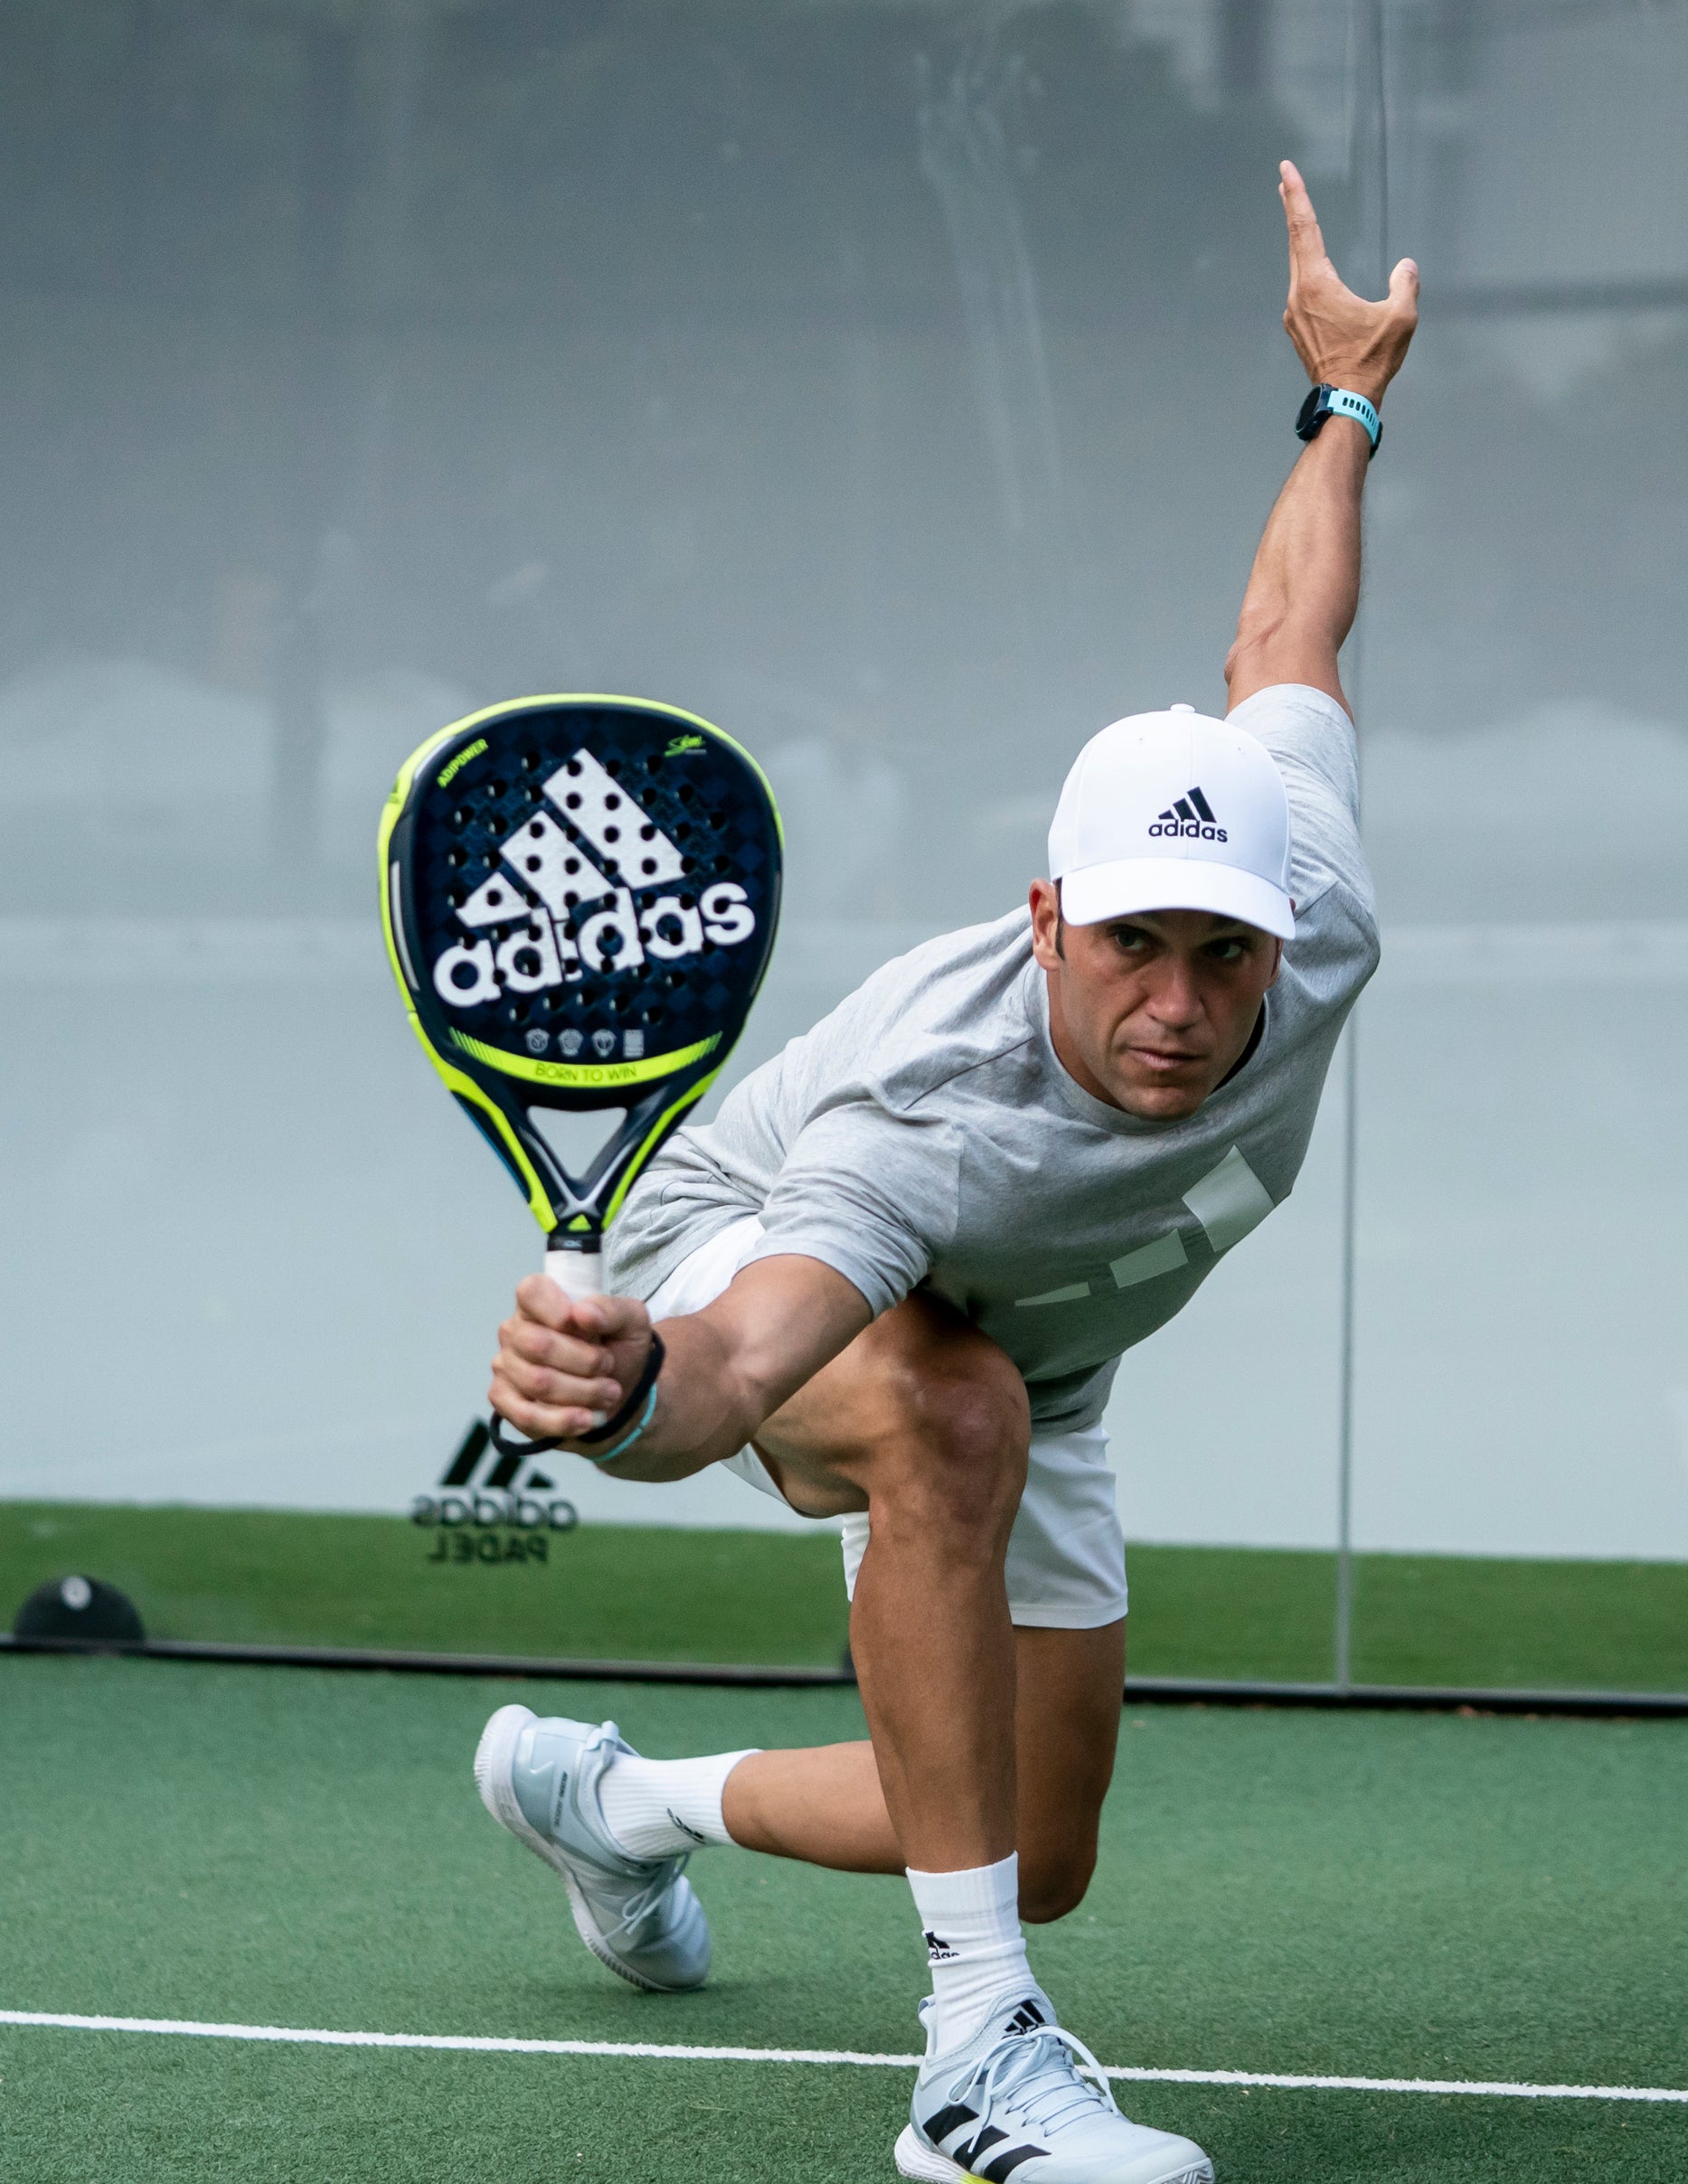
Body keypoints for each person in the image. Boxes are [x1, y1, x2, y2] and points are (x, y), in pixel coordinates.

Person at [467, 162, 1416, 2184]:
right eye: (1130, 946)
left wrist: (1343, 403)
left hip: (1028, 1346)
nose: (1176, 1001)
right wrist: (627, 1390)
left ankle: (609, 1805)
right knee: (945, 1412)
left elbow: (1284, 620)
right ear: (1048, 916)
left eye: (1217, 952)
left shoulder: (1314, 890)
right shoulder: (931, 1110)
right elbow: (742, 1366)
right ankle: (973, 2066)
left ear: (1278, 927)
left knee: (1026, 1835)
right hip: (728, 1252)